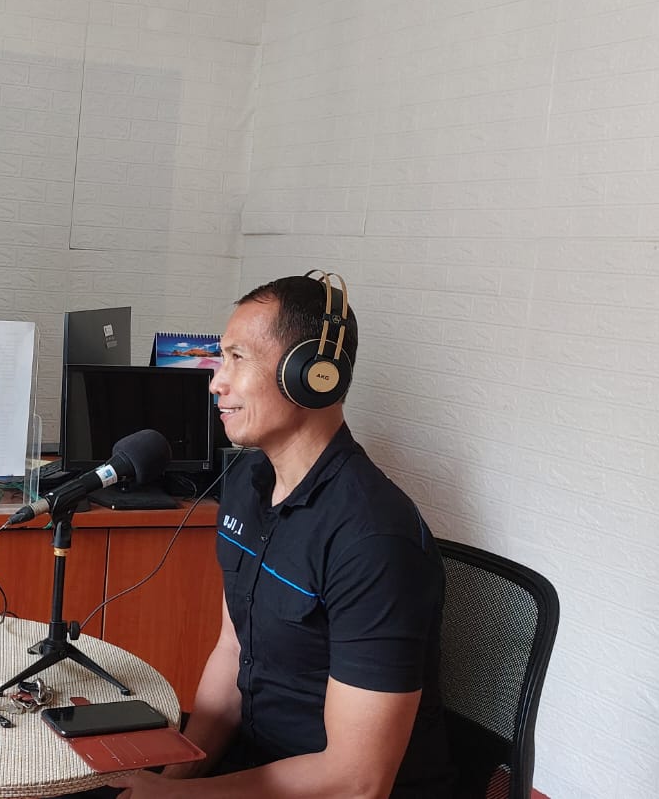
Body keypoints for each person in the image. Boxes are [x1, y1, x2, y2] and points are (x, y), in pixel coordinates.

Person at [108, 272, 453, 799]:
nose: (216, 382)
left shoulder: (373, 540)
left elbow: (358, 780)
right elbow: (232, 652)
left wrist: (178, 798)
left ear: (312, 375)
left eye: (237, 358)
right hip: (253, 769)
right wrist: (169, 779)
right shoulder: (248, 482)